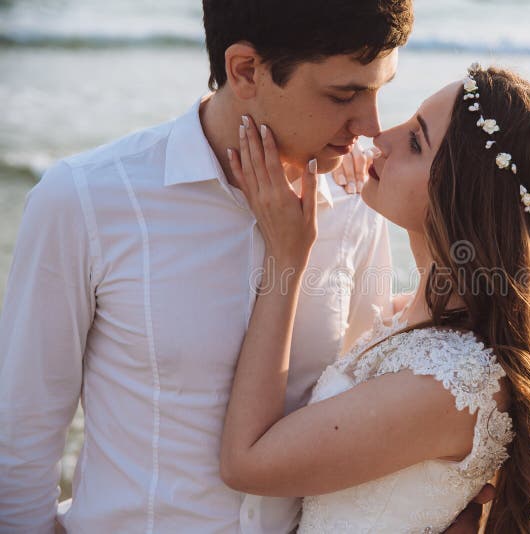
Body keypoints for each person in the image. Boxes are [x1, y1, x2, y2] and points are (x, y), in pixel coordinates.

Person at [0, 1, 414, 532]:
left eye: (380, 89)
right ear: (245, 70)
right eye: (344, 94)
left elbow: (350, 413)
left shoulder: (356, 203)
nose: (370, 126)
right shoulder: (85, 200)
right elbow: (22, 435)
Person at [219, 64, 530, 533]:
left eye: (416, 142)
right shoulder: (413, 318)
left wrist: (286, 256)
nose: (381, 137)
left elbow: (246, 462)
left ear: (465, 197)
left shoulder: (449, 384)